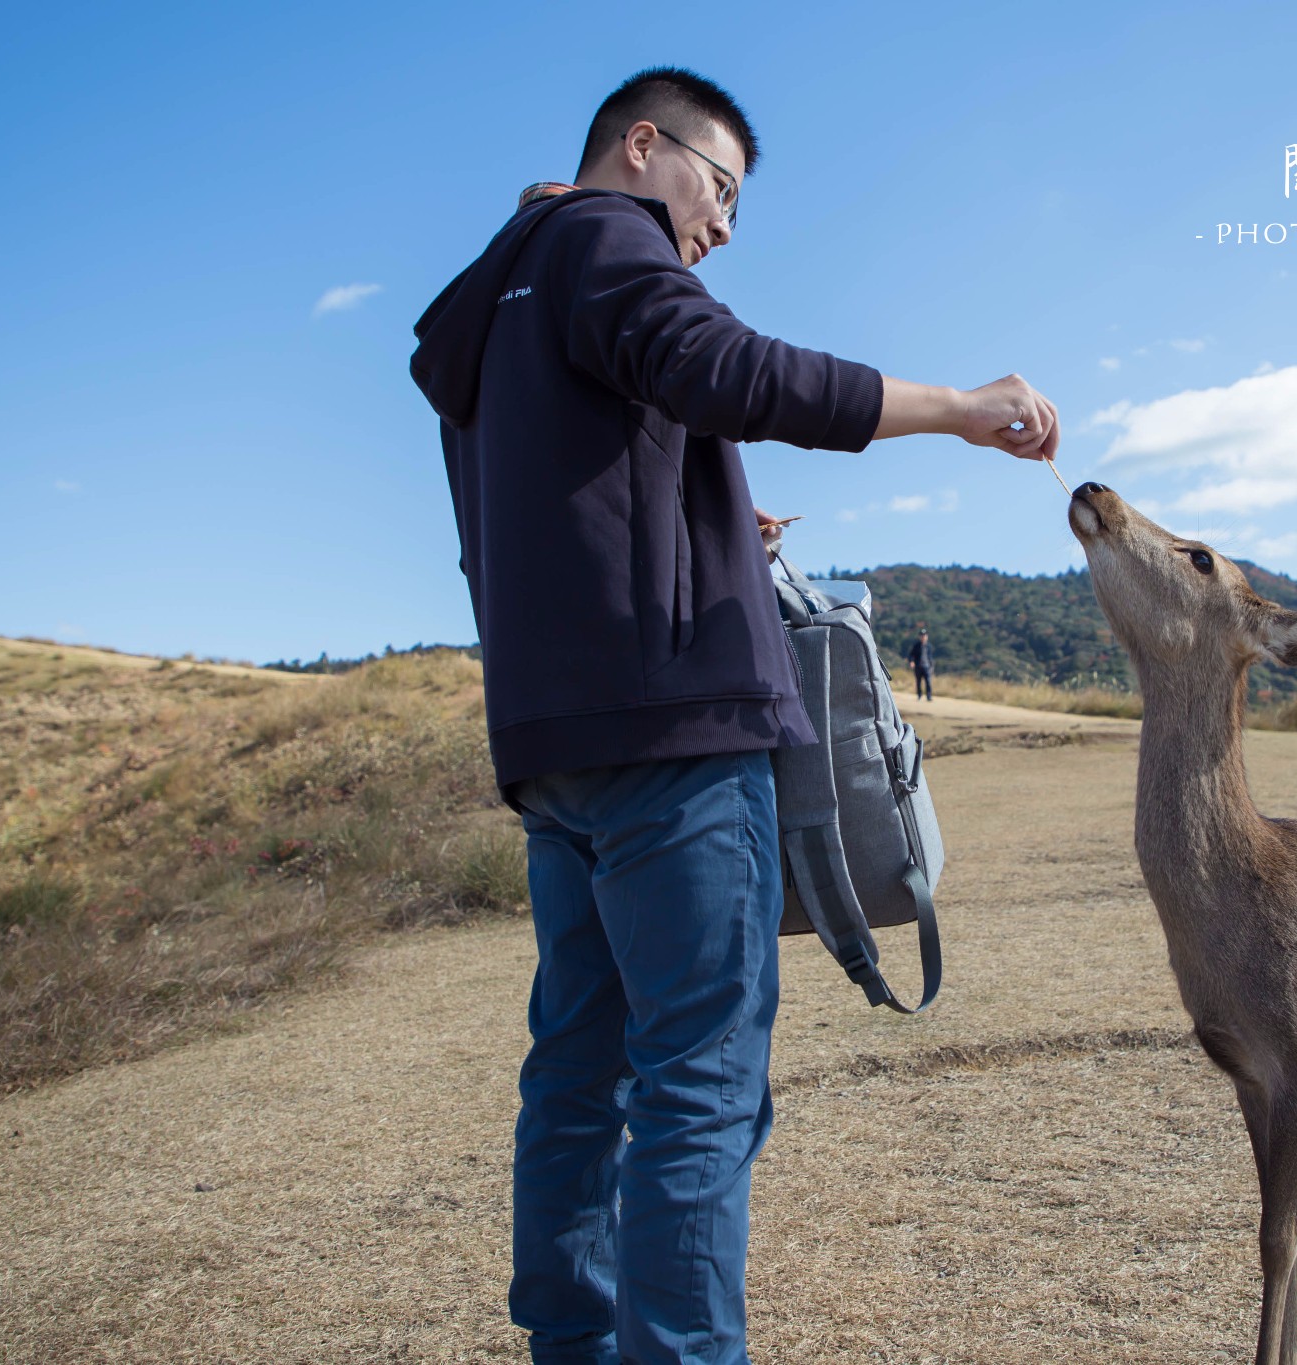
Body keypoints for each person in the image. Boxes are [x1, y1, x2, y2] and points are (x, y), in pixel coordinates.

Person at [409, 67, 1059, 1365]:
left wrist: (704, 501)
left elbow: (579, 466)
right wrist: (959, 410)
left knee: (577, 1080)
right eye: (721, 190)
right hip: (674, 745)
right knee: (700, 1090)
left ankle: (573, 1350)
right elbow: (731, 369)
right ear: (645, 147)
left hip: (554, 751)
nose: (718, 229)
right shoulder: (607, 239)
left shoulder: (503, 292)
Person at [906, 628, 935, 701]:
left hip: (927, 666)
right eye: (921, 635)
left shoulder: (929, 646)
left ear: (927, 636)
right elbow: (911, 655)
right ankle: (919, 695)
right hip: (918, 666)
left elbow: (930, 657)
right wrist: (912, 661)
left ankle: (929, 696)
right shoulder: (916, 646)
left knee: (928, 681)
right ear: (919, 636)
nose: (923, 637)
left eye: (924, 635)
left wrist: (931, 665)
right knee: (918, 682)